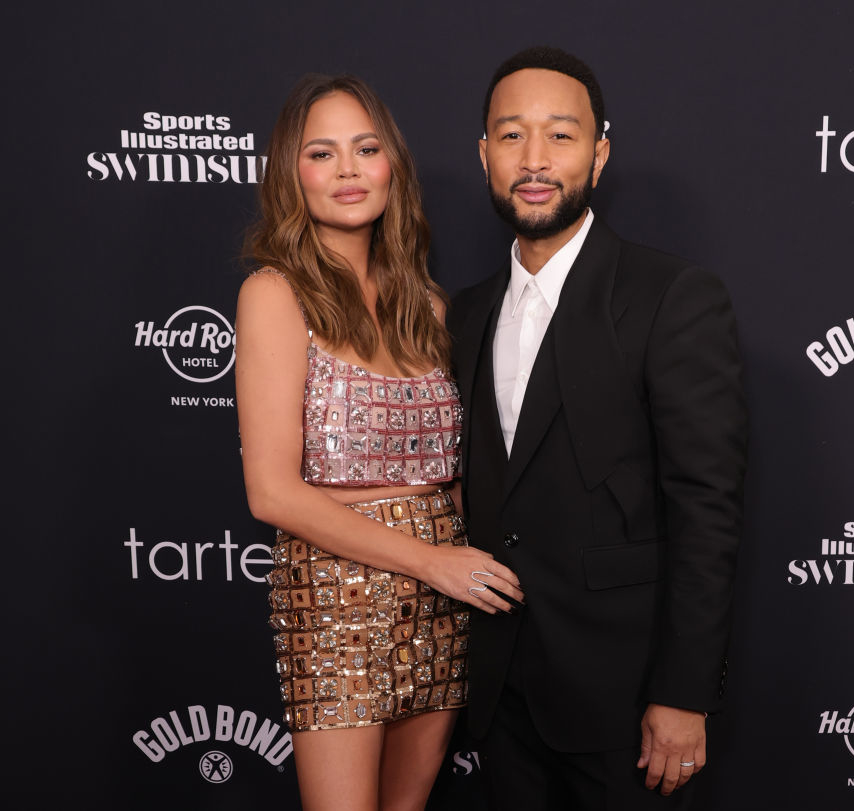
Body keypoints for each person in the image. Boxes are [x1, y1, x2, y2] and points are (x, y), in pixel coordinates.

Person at [446, 46, 748, 809]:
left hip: (626, 701)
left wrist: (685, 694)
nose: (535, 159)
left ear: (600, 152)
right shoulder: (463, 312)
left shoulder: (672, 296)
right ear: (484, 154)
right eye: (511, 136)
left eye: (562, 134)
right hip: (496, 697)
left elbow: (705, 506)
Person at [234, 73, 523, 811]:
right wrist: (430, 560)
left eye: (365, 149)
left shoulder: (426, 304)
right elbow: (271, 490)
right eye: (321, 154)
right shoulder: (275, 292)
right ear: (291, 175)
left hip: (443, 597)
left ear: (392, 163)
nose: (348, 171)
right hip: (334, 596)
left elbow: (454, 471)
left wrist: (456, 562)